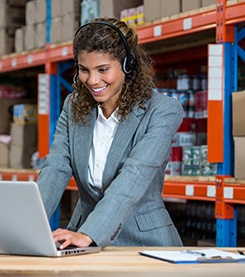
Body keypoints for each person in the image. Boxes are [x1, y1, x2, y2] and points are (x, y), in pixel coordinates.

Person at [35, 18, 184, 249]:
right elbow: (55, 168)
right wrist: (29, 224)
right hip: (83, 238)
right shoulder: (74, 106)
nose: (92, 80)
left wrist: (89, 234)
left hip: (144, 243)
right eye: (84, 70)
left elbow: (134, 176)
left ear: (128, 65)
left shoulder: (162, 110)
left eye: (103, 69)